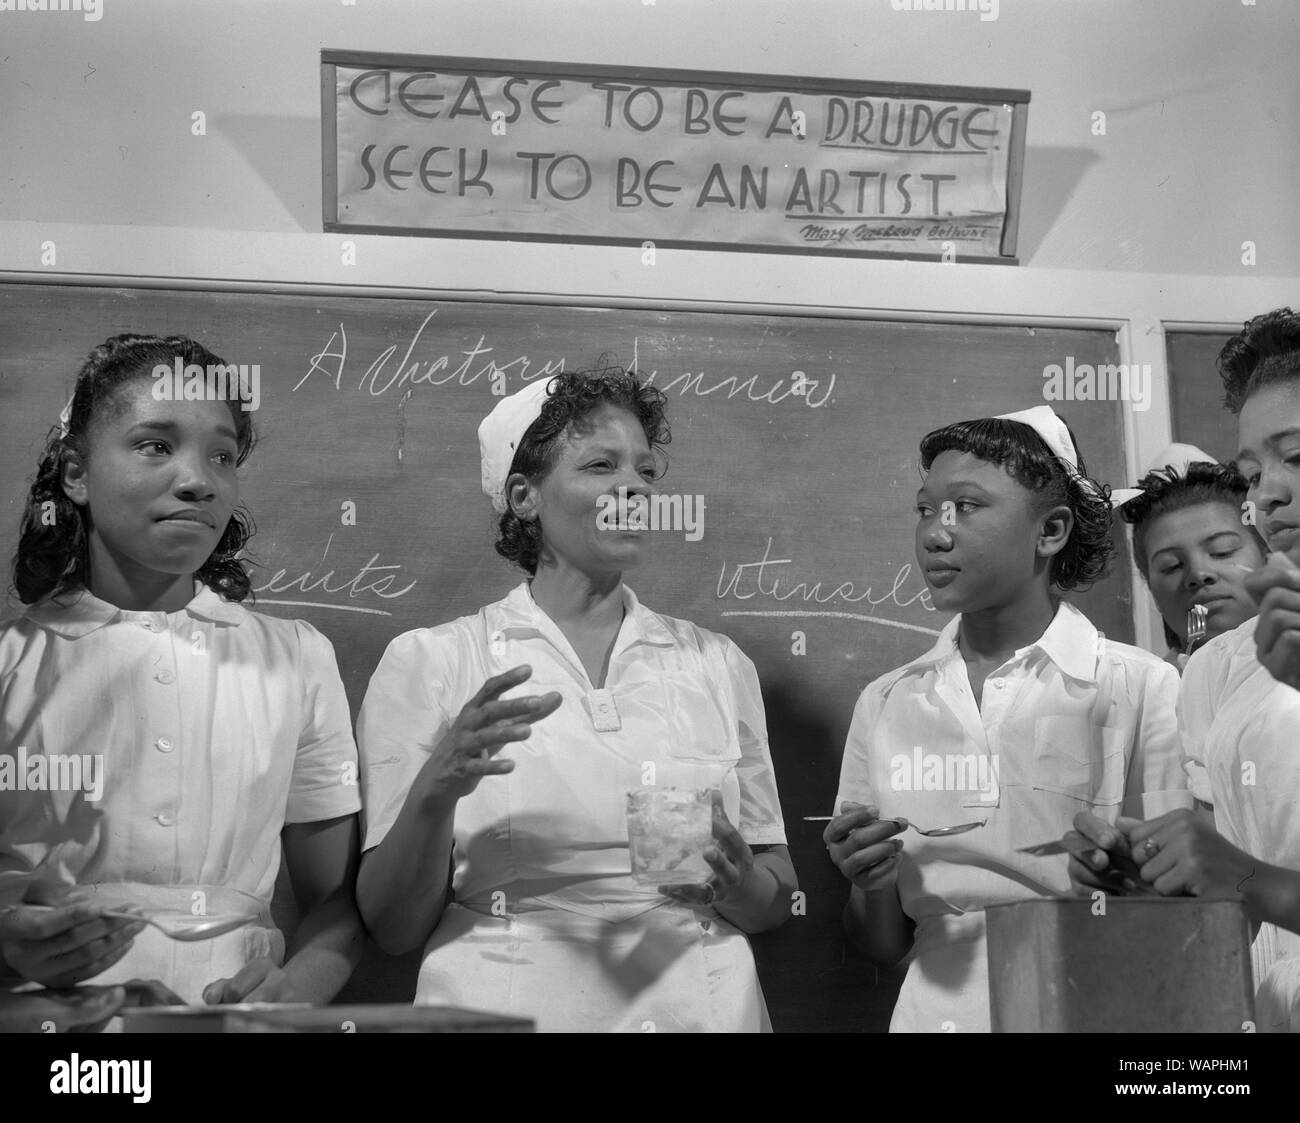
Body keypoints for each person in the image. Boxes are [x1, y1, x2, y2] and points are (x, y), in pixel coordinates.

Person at [355, 367, 795, 1032]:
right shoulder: (434, 662)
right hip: (505, 1004)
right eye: (600, 464)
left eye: (646, 471)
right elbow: (392, 926)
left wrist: (741, 886)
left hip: (698, 1007)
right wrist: (436, 788)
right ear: (525, 496)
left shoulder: (715, 663)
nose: (635, 488)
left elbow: (778, 895)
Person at [0, 333, 363, 1006]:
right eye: (154, 445)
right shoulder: (14, 666)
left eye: (221, 455)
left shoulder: (295, 658)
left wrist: (292, 990)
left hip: (235, 1015)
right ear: (76, 474)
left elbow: (339, 908)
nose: (197, 479)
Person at [825, 405, 1191, 1032]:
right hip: (933, 1014)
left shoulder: (1138, 686)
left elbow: (1183, 901)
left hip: (1091, 1006)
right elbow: (880, 942)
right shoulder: (889, 702)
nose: (935, 534)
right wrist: (871, 881)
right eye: (924, 509)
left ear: (1050, 531)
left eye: (966, 507)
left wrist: (1126, 881)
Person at [1072, 308, 1300, 1031]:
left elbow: (1252, 877)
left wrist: (1250, 878)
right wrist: (1162, 881)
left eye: (1298, 455)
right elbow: (1232, 889)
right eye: (1254, 472)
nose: (1269, 492)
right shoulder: (1220, 668)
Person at [1116, 444, 1265, 669]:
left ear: (1267, 553)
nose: (1197, 573)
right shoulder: (1149, 696)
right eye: (1171, 566)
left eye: (1222, 551)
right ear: (1150, 586)